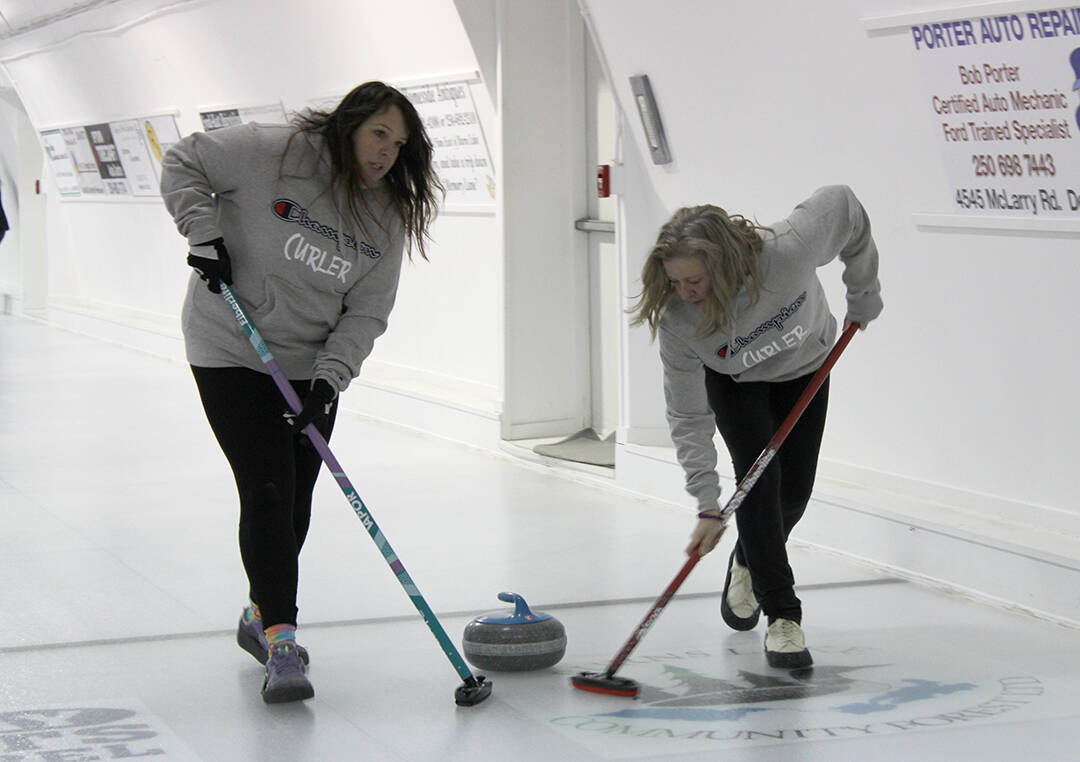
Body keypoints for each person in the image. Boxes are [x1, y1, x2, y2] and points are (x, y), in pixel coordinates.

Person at [160, 81, 442, 703]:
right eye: (378, 135)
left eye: (398, 145)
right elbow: (185, 159)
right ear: (348, 125)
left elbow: (368, 312)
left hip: (310, 366)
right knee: (266, 485)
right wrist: (202, 233)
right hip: (231, 345)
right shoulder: (275, 151)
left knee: (295, 503)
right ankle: (283, 642)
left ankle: (260, 613)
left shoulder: (387, 214)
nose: (386, 154)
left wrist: (329, 381)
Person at [631, 185, 882, 669]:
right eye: (675, 281)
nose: (685, 293)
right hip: (737, 386)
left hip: (807, 369)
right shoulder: (680, 321)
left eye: (696, 281)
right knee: (758, 487)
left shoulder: (787, 251)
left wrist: (863, 291)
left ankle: (748, 559)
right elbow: (687, 416)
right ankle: (784, 619)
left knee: (794, 494)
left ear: (725, 263)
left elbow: (846, 205)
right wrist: (707, 506)